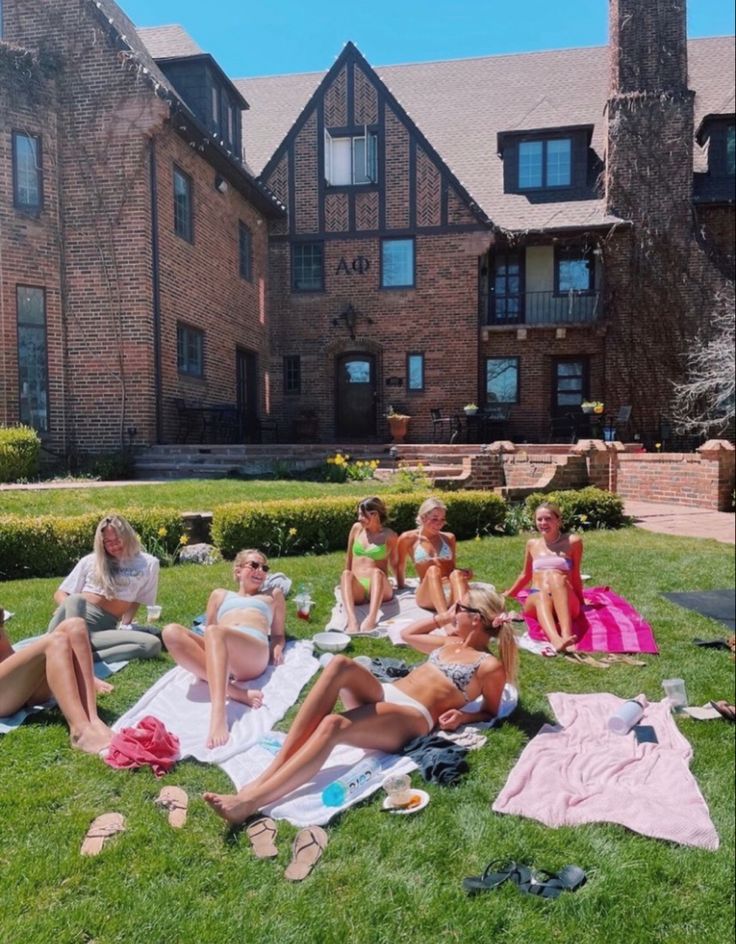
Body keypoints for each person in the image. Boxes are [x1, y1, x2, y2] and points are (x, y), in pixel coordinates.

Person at [203, 586, 517, 825]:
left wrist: (463, 716)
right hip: (387, 693)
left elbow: (491, 709)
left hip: (413, 717)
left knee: (333, 725)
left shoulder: (488, 665)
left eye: (458, 608)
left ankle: (251, 801)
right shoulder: (451, 642)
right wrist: (443, 617)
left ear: (475, 619)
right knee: (339, 664)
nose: (452, 611)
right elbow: (407, 633)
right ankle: (271, 773)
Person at [162, 548, 286, 749]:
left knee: (215, 632)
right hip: (222, 650)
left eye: (264, 567)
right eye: (254, 565)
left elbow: (279, 634)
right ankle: (234, 691)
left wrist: (278, 646)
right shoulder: (219, 595)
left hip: (253, 653)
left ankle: (218, 714)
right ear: (237, 571)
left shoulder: (273, 595)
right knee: (170, 632)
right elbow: (208, 635)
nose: (260, 570)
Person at [47, 515, 161, 662]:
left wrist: (126, 624)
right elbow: (61, 592)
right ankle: (70, 649)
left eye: (117, 539)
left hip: (100, 630)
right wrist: (66, 605)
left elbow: (138, 599)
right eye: (107, 542)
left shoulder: (148, 564)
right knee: (75, 599)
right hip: (74, 619)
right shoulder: (90, 561)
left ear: (128, 536)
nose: (114, 545)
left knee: (152, 644)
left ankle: (82, 658)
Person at [0, 607, 114, 754]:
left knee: (75, 625)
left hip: (13, 691)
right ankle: (80, 731)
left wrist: (26, 672)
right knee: (56, 641)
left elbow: (7, 655)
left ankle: (93, 720)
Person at [502, 501, 584, 652]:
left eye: (548, 519)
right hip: (538, 601)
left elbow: (576, 575)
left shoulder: (573, 542)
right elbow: (525, 574)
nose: (543, 523)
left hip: (564, 600)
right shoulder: (532, 544)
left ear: (558, 520)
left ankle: (566, 635)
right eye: (539, 519)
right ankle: (556, 641)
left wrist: (581, 600)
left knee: (556, 577)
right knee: (539, 594)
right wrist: (510, 593)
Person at [396, 498, 470, 616]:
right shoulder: (408, 538)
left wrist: (464, 573)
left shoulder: (449, 538)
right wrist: (401, 586)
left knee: (457, 574)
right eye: (434, 519)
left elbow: (452, 568)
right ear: (422, 517)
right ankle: (445, 620)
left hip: (450, 590)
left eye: (442, 519)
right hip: (428, 593)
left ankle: (463, 616)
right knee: (433, 570)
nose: (439, 523)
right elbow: (400, 565)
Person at [340, 497, 398, 634]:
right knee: (345, 574)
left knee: (376, 572)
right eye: (359, 514)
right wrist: (346, 583)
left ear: (375, 514)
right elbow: (349, 557)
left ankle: (371, 619)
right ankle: (352, 620)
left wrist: (401, 584)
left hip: (379, 587)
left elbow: (395, 563)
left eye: (362, 515)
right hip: (358, 588)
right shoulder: (356, 529)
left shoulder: (390, 536)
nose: (359, 518)